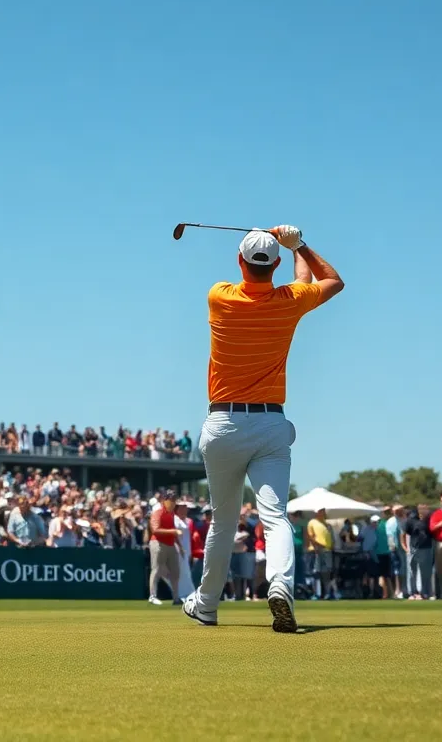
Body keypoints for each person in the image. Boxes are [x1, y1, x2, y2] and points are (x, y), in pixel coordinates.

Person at [183, 225, 343, 634]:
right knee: (275, 517)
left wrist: (286, 249)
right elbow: (329, 282)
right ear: (274, 264)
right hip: (271, 423)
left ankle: (206, 605)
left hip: (222, 423)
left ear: (240, 261)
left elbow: (298, 284)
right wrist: (299, 245)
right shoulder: (289, 301)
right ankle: (281, 588)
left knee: (223, 521)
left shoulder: (219, 296)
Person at [147, 493, 182, 605]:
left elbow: (173, 529)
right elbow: (155, 530)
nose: (173, 502)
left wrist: (180, 546)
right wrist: (173, 532)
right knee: (156, 569)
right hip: (158, 543)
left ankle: (176, 598)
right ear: (164, 500)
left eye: (174, 500)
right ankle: (152, 596)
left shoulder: (171, 513)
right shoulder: (158, 512)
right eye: (171, 499)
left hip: (171, 545)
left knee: (175, 572)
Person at [402, 504, 435, 600]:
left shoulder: (430, 520)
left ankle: (425, 593)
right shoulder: (411, 520)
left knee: (426, 572)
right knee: (412, 572)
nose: (423, 510)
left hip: (427, 549)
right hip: (413, 549)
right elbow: (403, 534)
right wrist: (405, 547)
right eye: (421, 508)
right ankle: (413, 593)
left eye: (425, 508)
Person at [306, 507, 336, 601]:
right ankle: (316, 594)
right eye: (320, 511)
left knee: (327, 573)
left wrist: (331, 546)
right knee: (316, 572)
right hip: (317, 551)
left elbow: (330, 537)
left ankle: (327, 593)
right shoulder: (312, 522)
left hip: (327, 551)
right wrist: (317, 547)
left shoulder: (327, 524)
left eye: (323, 511)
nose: (322, 513)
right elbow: (310, 536)